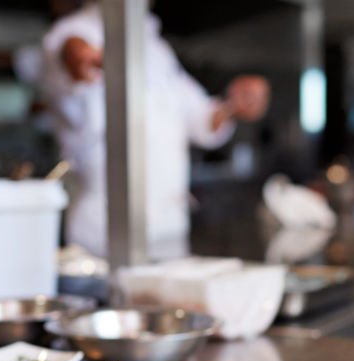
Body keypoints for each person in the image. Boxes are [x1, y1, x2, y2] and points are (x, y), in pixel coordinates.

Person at [37, 1, 269, 260]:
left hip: (168, 221)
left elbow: (199, 118)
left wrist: (232, 106)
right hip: (106, 225)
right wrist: (79, 58)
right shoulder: (74, 31)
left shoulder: (158, 50)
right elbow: (73, 55)